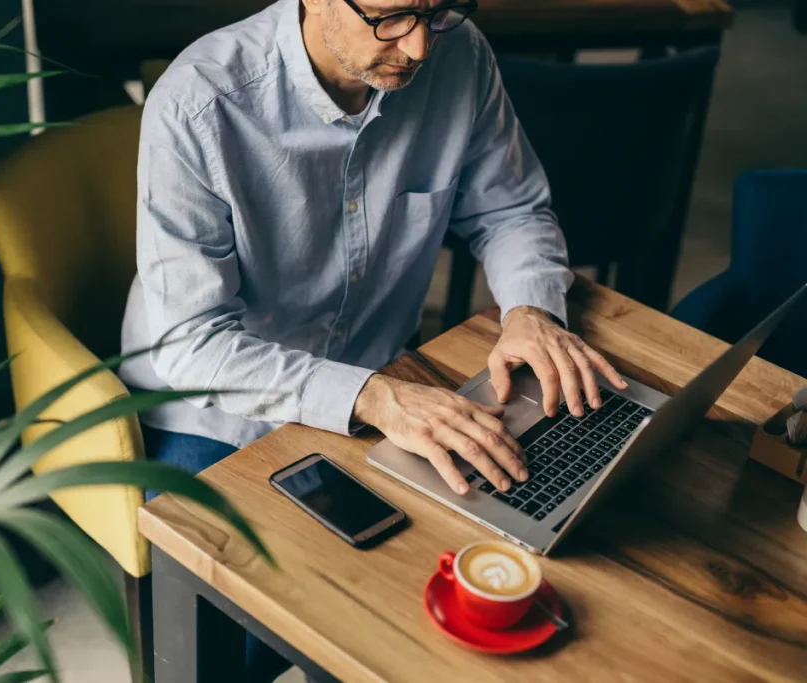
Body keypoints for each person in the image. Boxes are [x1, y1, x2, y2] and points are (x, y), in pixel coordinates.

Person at [120, 0, 627, 677]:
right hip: (216, 408)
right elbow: (192, 345)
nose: (418, 47)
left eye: (440, 10)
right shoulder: (197, 103)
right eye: (391, 16)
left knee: (416, 609)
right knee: (240, 632)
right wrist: (376, 398)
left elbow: (510, 208)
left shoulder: (461, 54)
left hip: (382, 378)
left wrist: (531, 310)